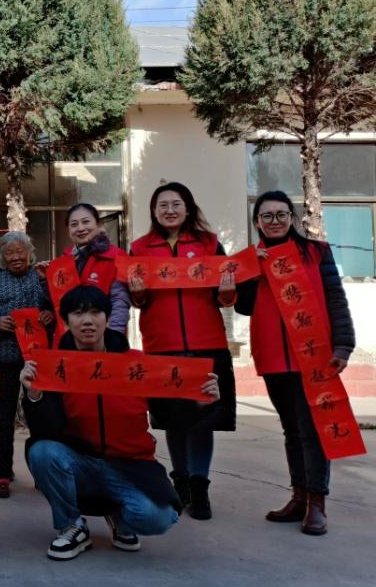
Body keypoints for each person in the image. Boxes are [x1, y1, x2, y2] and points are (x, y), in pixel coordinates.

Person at [22, 286, 220, 561]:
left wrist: (197, 404)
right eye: (78, 314)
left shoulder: (137, 363)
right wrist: (35, 395)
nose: (87, 321)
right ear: (65, 321)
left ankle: (119, 518)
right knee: (42, 451)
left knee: (159, 518)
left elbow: (168, 415)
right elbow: (47, 430)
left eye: (95, 312)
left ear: (107, 317)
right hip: (83, 463)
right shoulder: (55, 367)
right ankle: (72, 525)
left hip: (132, 465)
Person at [235, 191, 354, 536]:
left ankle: (317, 502)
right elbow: (244, 307)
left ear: (292, 217)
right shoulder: (250, 260)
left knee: (312, 429)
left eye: (281, 214)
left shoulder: (317, 252)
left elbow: (336, 298)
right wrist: (247, 273)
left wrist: (344, 344)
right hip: (273, 356)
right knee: (291, 429)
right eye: (267, 216)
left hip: (312, 355)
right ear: (257, 222)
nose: (275, 221)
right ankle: (299, 497)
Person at [127, 182, 237, 520]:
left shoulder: (209, 244)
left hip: (207, 344)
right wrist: (138, 293)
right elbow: (137, 300)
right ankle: (181, 482)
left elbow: (224, 297)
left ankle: (200, 486)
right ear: (154, 211)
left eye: (176, 204)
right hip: (163, 346)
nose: (170, 210)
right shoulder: (139, 248)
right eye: (163, 205)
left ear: (188, 208)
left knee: (204, 419)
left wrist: (228, 292)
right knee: (174, 419)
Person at [0, 232, 55, 498]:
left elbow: (61, 308)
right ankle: (2, 473)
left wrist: (50, 314)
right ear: (2, 257)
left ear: (30, 253)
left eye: (20, 251)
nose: (16, 257)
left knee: (40, 418)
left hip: (37, 361)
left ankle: (42, 473)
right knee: (1, 419)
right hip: (2, 360)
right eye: (10, 252)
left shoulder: (42, 279)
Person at [55, 203, 130, 333]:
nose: (80, 228)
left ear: (98, 224)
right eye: (74, 224)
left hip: (102, 336)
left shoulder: (116, 257)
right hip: (70, 336)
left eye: (86, 222)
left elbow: (120, 301)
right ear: (68, 231)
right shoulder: (63, 260)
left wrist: (114, 336)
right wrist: (44, 279)